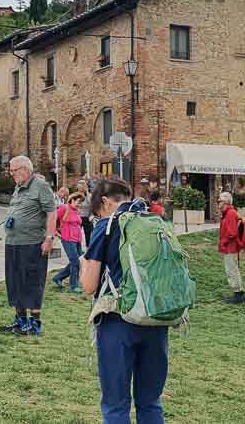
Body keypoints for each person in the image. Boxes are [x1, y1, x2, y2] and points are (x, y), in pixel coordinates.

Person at [80, 179, 169, 424]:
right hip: (156, 318)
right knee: (150, 402)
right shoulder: (156, 222)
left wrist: (82, 264)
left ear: (106, 202)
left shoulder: (107, 225)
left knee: (116, 405)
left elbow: (89, 286)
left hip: (118, 321)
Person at [0, 156, 57, 337]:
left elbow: (51, 212)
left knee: (32, 282)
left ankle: (35, 323)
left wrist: (49, 238)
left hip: (32, 243)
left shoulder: (40, 186)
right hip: (13, 242)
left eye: (14, 170)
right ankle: (20, 320)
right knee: (15, 282)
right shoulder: (18, 188)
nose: (11, 173)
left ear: (25, 169)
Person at [52, 193, 85, 292]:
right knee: (75, 261)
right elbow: (52, 218)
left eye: (81, 203)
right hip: (67, 239)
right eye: (78, 202)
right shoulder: (64, 208)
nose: (80, 204)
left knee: (77, 261)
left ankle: (58, 277)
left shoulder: (77, 211)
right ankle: (74, 285)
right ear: (72, 200)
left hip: (77, 240)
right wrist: (55, 232)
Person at [218, 192, 245, 304]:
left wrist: (223, 243)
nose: (218, 203)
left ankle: (238, 296)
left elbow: (232, 233)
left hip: (230, 247)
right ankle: (238, 294)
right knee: (233, 269)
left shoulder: (230, 213)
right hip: (230, 247)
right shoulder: (229, 213)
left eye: (219, 201)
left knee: (231, 270)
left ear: (225, 202)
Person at [76, 179, 94, 245]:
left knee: (88, 234)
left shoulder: (89, 195)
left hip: (87, 217)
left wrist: (87, 192)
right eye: (80, 187)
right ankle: (78, 247)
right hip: (78, 217)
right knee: (77, 234)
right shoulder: (75, 195)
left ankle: (88, 247)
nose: (81, 188)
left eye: (83, 186)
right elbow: (74, 205)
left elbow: (91, 203)